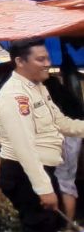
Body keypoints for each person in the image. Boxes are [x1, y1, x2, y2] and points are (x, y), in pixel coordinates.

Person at [0, 39, 84, 232]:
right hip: (24, 173)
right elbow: (25, 149)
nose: (47, 63)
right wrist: (43, 189)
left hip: (40, 170)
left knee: (48, 229)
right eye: (40, 59)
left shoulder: (38, 88)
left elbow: (60, 122)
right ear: (20, 62)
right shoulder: (15, 97)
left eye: (47, 58)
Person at [45, 74, 84, 220]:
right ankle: (69, 226)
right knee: (67, 182)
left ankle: (66, 225)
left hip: (61, 139)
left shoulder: (48, 100)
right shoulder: (68, 98)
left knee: (60, 183)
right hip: (73, 139)